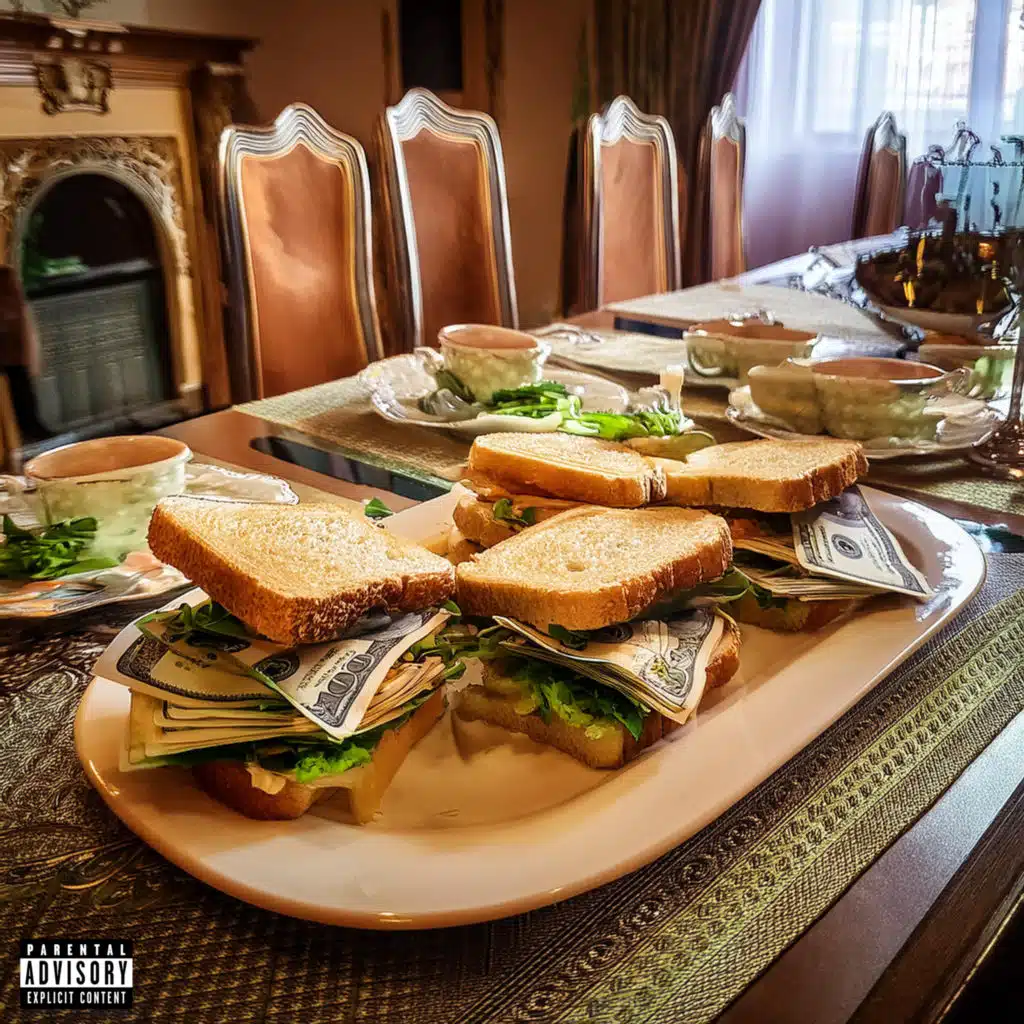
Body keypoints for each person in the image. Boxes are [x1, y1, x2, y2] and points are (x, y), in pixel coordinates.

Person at [0, 264, 48, 442]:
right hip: (13, 355)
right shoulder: (6, 278)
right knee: (20, 391)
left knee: (21, 391)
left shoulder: (5, 277)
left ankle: (30, 431)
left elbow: (16, 320)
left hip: (13, 355)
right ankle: (30, 432)